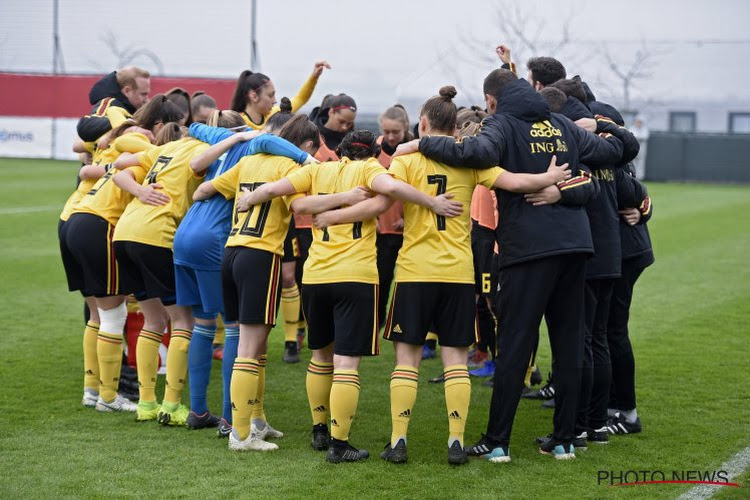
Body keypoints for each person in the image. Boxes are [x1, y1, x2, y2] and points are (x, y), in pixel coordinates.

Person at [402, 69, 625, 462]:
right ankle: (564, 439)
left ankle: (498, 441)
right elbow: (613, 153)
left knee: (515, 343)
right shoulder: (561, 125)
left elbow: (473, 153)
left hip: (528, 249)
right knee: (570, 345)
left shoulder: (501, 124)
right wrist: (566, 185)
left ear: (491, 100)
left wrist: (421, 144)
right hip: (576, 247)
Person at [337, 86, 567, 465]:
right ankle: (456, 442)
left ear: (423, 124)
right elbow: (515, 182)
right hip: (458, 273)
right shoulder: (469, 161)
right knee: (456, 361)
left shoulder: (407, 162)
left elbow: (381, 199)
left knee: (407, 361)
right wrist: (549, 175)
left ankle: (398, 440)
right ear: (455, 129)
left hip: (414, 270)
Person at [234, 129, 462, 462]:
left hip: (315, 276)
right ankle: (340, 445)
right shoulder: (370, 169)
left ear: (340, 150)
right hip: (356, 275)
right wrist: (431, 202)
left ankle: (319, 428)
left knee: (320, 356)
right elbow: (393, 189)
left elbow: (285, 195)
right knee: (346, 364)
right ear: (371, 152)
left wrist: (252, 198)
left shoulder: (318, 169)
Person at [178, 108, 315, 432]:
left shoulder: (246, 161)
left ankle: (253, 418)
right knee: (248, 345)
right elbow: (299, 207)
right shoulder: (291, 166)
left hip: (225, 251)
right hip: (258, 254)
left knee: (224, 332)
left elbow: (200, 190)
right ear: (306, 144)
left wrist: (243, 198)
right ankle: (238, 429)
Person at [65, 95, 184, 412]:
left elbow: (89, 159)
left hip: (76, 218)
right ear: (158, 126)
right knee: (113, 314)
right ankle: (107, 396)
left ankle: (93, 390)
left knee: (98, 314)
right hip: (100, 224)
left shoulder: (123, 139)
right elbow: (112, 155)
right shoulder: (139, 139)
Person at [110, 110, 219, 426]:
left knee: (152, 319)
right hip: (156, 236)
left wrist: (140, 190)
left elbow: (118, 168)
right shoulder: (202, 151)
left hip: (125, 233)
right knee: (182, 320)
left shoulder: (164, 149)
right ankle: (171, 406)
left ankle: (145, 403)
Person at [606, 163, 653, 435]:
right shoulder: (610, 144)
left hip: (625, 252)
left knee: (613, 330)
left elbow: (634, 190)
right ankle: (612, 405)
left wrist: (643, 209)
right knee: (607, 329)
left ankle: (626, 412)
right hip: (623, 250)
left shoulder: (608, 145)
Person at [375, 104, 412, 324]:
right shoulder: (374, 149)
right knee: (381, 279)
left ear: (405, 127)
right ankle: (377, 323)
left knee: (410, 282)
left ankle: (409, 324)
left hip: (411, 229)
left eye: (395, 132)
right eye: (386, 131)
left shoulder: (415, 148)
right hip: (382, 230)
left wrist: (408, 218)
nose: (390, 136)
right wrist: (372, 216)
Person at [230, 61, 331, 130]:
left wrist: (314, 76)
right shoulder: (237, 124)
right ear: (254, 96)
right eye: (270, 95)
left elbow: (300, 99)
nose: (275, 101)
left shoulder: (275, 115)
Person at [77, 67, 152, 143]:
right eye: (143, 94)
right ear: (127, 91)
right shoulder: (110, 103)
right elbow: (86, 126)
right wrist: (126, 124)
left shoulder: (135, 108)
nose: (147, 99)